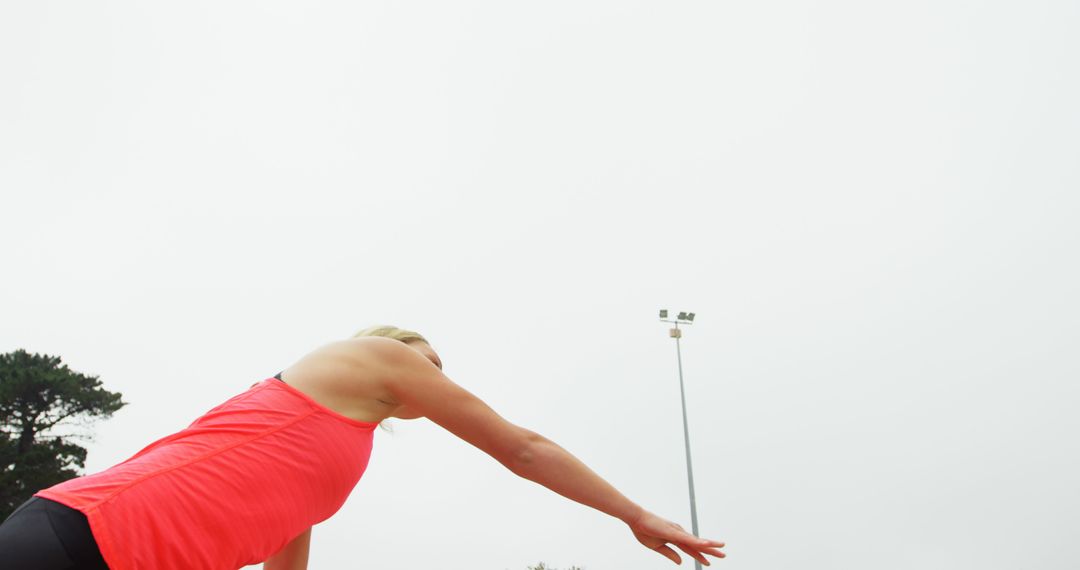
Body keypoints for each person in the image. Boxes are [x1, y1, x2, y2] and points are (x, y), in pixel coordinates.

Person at [0, 325, 726, 569]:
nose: (438, 381)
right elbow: (524, 450)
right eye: (429, 363)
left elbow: (283, 546)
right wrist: (633, 514)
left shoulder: (331, 450)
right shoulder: (374, 356)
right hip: (85, 533)